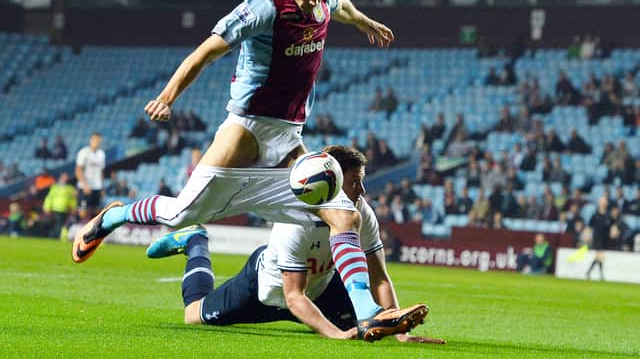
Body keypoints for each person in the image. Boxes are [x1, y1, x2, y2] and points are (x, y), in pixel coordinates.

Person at [71, 0, 423, 342]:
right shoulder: (265, 4)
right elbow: (207, 51)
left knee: (343, 214)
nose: (313, 5)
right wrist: (167, 98)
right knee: (177, 214)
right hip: (247, 131)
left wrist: (364, 23)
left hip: (289, 139)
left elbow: (343, 8)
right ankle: (112, 217)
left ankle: (368, 314)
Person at [146, 145, 439, 343]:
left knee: (367, 328)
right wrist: (333, 334)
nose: (361, 191)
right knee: (192, 315)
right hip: (266, 291)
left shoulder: (361, 212)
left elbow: (379, 277)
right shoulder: (295, 220)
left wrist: (399, 333)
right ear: (332, 181)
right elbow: (293, 296)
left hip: (320, 289)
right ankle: (196, 242)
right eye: (354, 182)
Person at [75, 132, 106, 219]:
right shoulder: (84, 152)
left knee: (96, 213)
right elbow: (78, 170)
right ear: (91, 140)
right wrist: (84, 185)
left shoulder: (101, 154)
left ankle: (92, 232)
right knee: (82, 212)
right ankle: (74, 228)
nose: (97, 142)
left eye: (99, 140)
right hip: (85, 187)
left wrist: (102, 187)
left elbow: (101, 172)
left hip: (97, 187)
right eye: (95, 140)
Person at [42, 172, 77, 238]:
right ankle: (54, 237)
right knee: (58, 224)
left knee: (60, 225)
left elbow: (72, 199)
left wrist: (73, 207)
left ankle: (54, 237)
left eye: (66, 177)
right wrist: (46, 207)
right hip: (55, 209)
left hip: (64, 209)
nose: (65, 178)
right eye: (64, 177)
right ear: (61, 178)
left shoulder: (70, 188)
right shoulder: (55, 187)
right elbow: (49, 197)